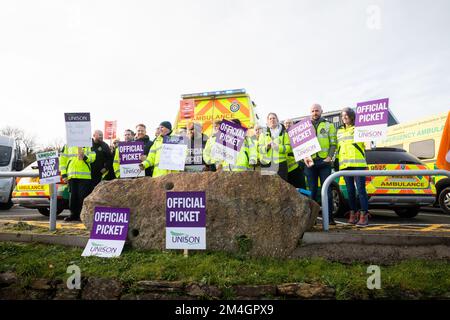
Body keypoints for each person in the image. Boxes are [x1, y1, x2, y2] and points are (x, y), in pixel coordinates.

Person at [304, 104, 337, 225]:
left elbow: (334, 143)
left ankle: (330, 218)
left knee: (326, 190)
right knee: (311, 191)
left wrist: (329, 157)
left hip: (324, 162)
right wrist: (304, 158)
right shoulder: (304, 126)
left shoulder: (329, 125)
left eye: (316, 110)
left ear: (321, 111)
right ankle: (312, 220)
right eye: (312, 111)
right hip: (310, 162)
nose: (314, 113)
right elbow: (299, 146)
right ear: (310, 112)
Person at [336, 107, 370, 226]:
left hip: (358, 164)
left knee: (361, 190)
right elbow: (337, 147)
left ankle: (364, 214)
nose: (344, 117)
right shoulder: (339, 131)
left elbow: (368, 142)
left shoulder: (359, 128)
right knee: (350, 191)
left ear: (351, 116)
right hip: (345, 164)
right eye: (342, 115)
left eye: (346, 115)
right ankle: (353, 213)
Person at [60, 145, 96, 221]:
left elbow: (93, 158)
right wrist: (63, 174)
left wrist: (85, 157)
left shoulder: (88, 144)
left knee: (82, 196)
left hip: (84, 175)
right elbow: (62, 160)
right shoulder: (67, 145)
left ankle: (82, 215)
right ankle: (73, 214)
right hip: (71, 175)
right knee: (72, 196)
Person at [258, 113, 291, 181]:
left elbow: (288, 148)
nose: (272, 120)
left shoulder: (284, 133)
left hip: (281, 164)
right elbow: (259, 149)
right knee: (268, 187)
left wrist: (278, 148)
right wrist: (267, 147)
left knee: (282, 185)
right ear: (267, 122)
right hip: (267, 164)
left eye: (274, 118)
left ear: (277, 120)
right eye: (270, 119)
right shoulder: (263, 134)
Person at [283, 119, 306, 189]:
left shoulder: (298, 135)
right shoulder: (282, 135)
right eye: (286, 123)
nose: (288, 124)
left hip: (297, 167)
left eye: (289, 123)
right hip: (286, 169)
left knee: (301, 188)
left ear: (293, 124)